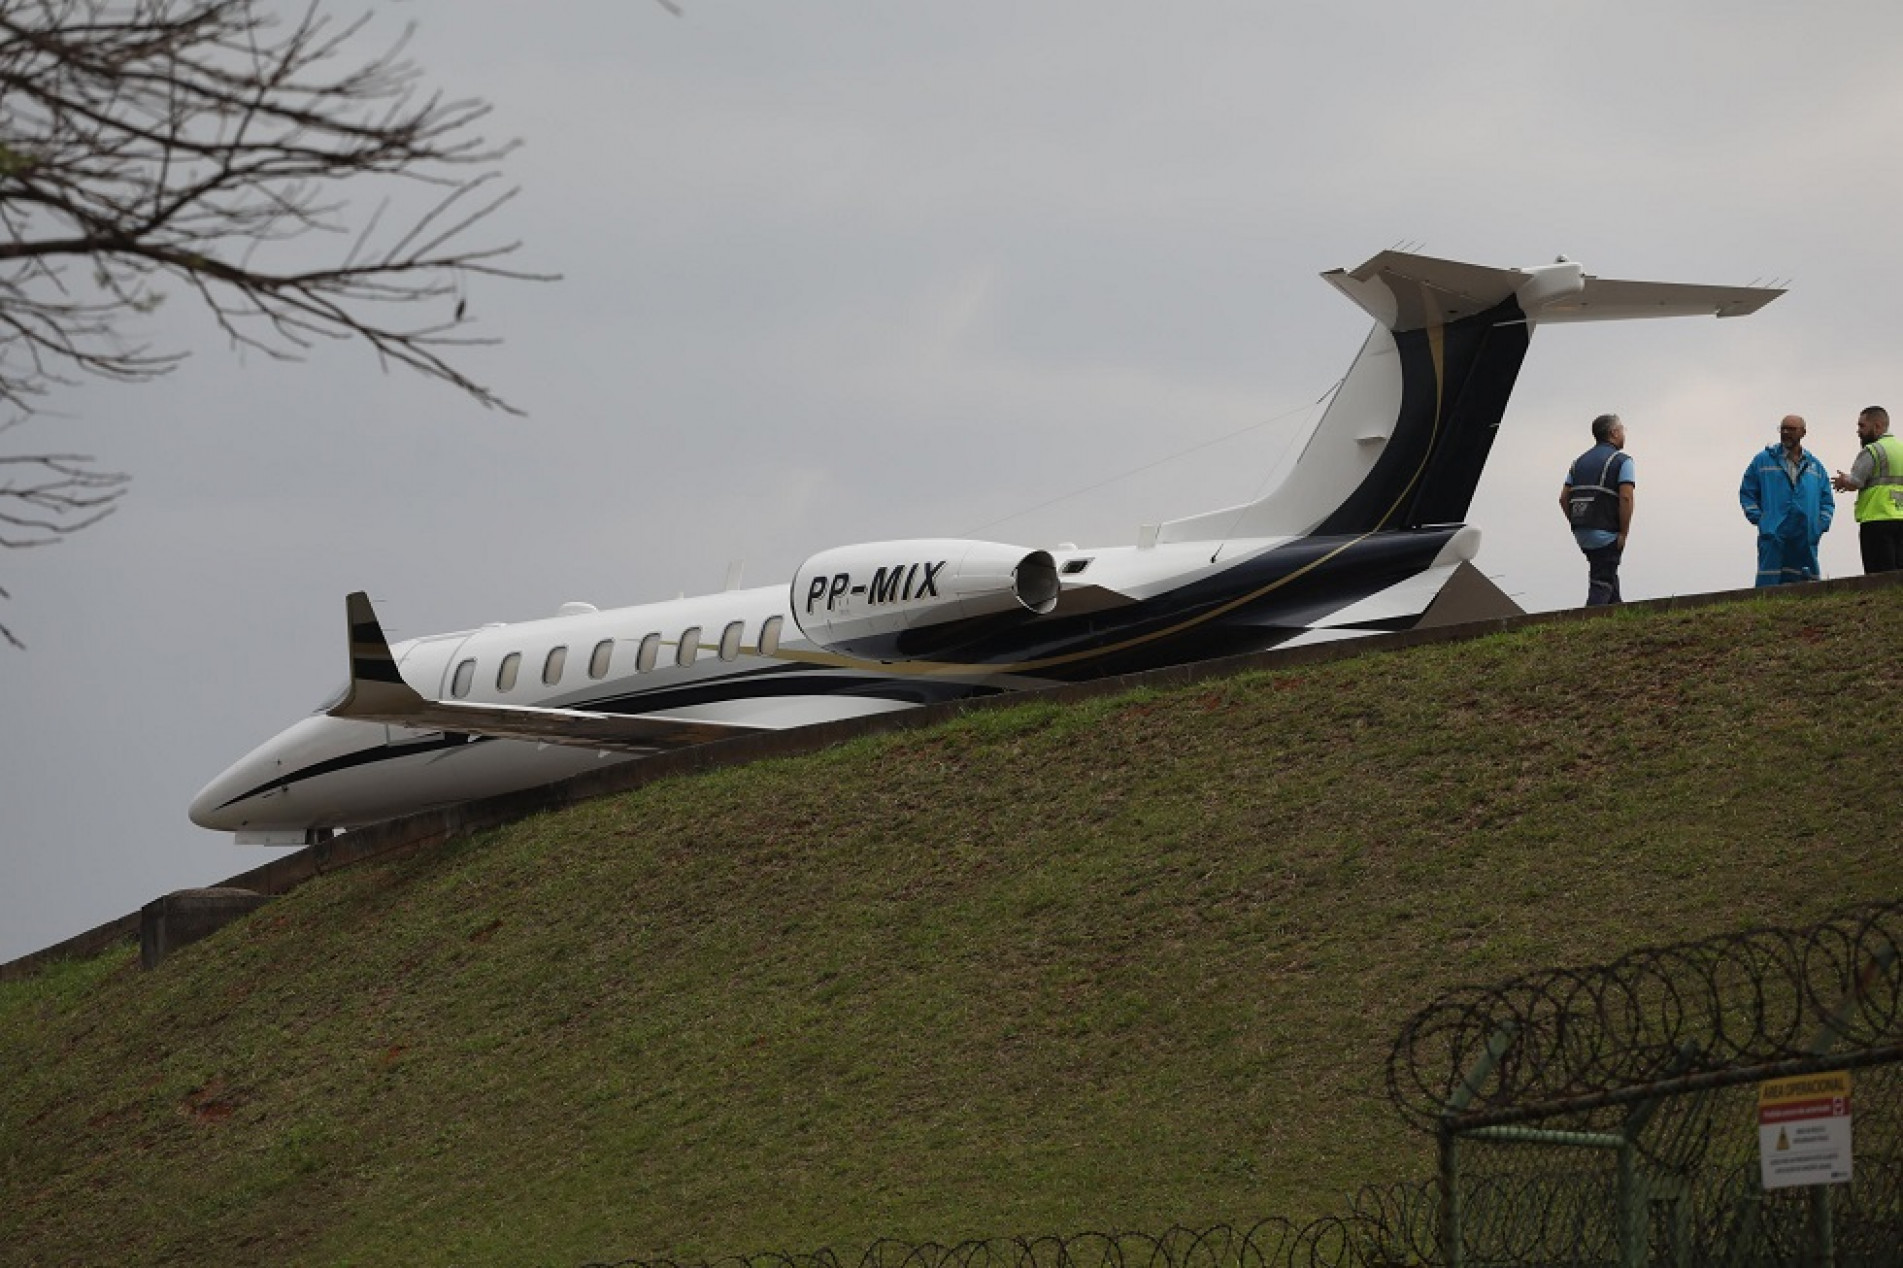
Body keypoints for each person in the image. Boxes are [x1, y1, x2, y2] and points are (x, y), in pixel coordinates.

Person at [1739, 415, 1834, 585]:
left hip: (1805, 533)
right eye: (1782, 428)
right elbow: (1747, 491)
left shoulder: (1815, 466)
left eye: (1791, 429)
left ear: (1803, 432)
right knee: (1770, 581)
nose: (1785, 432)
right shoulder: (1763, 460)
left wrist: (1820, 524)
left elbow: (1826, 500)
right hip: (1774, 531)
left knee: (1805, 584)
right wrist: (1760, 518)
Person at [1559, 413, 1634, 606]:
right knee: (1601, 584)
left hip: (1582, 532)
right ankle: (1587, 623)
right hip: (1606, 533)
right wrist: (1623, 533)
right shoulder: (1622, 461)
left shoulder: (1578, 462)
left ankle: (1619, 617)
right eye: (1622, 429)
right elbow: (1626, 497)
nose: (1624, 433)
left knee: (1606, 574)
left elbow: (1563, 498)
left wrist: (1576, 523)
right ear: (1614, 432)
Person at [1830, 405, 1903, 574]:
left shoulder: (1872, 450)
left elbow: (1855, 481)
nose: (1858, 431)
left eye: (1862, 426)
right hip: (1900, 517)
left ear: (1877, 426)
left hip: (1876, 518)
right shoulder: (1900, 449)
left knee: (1878, 576)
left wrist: (1843, 480)